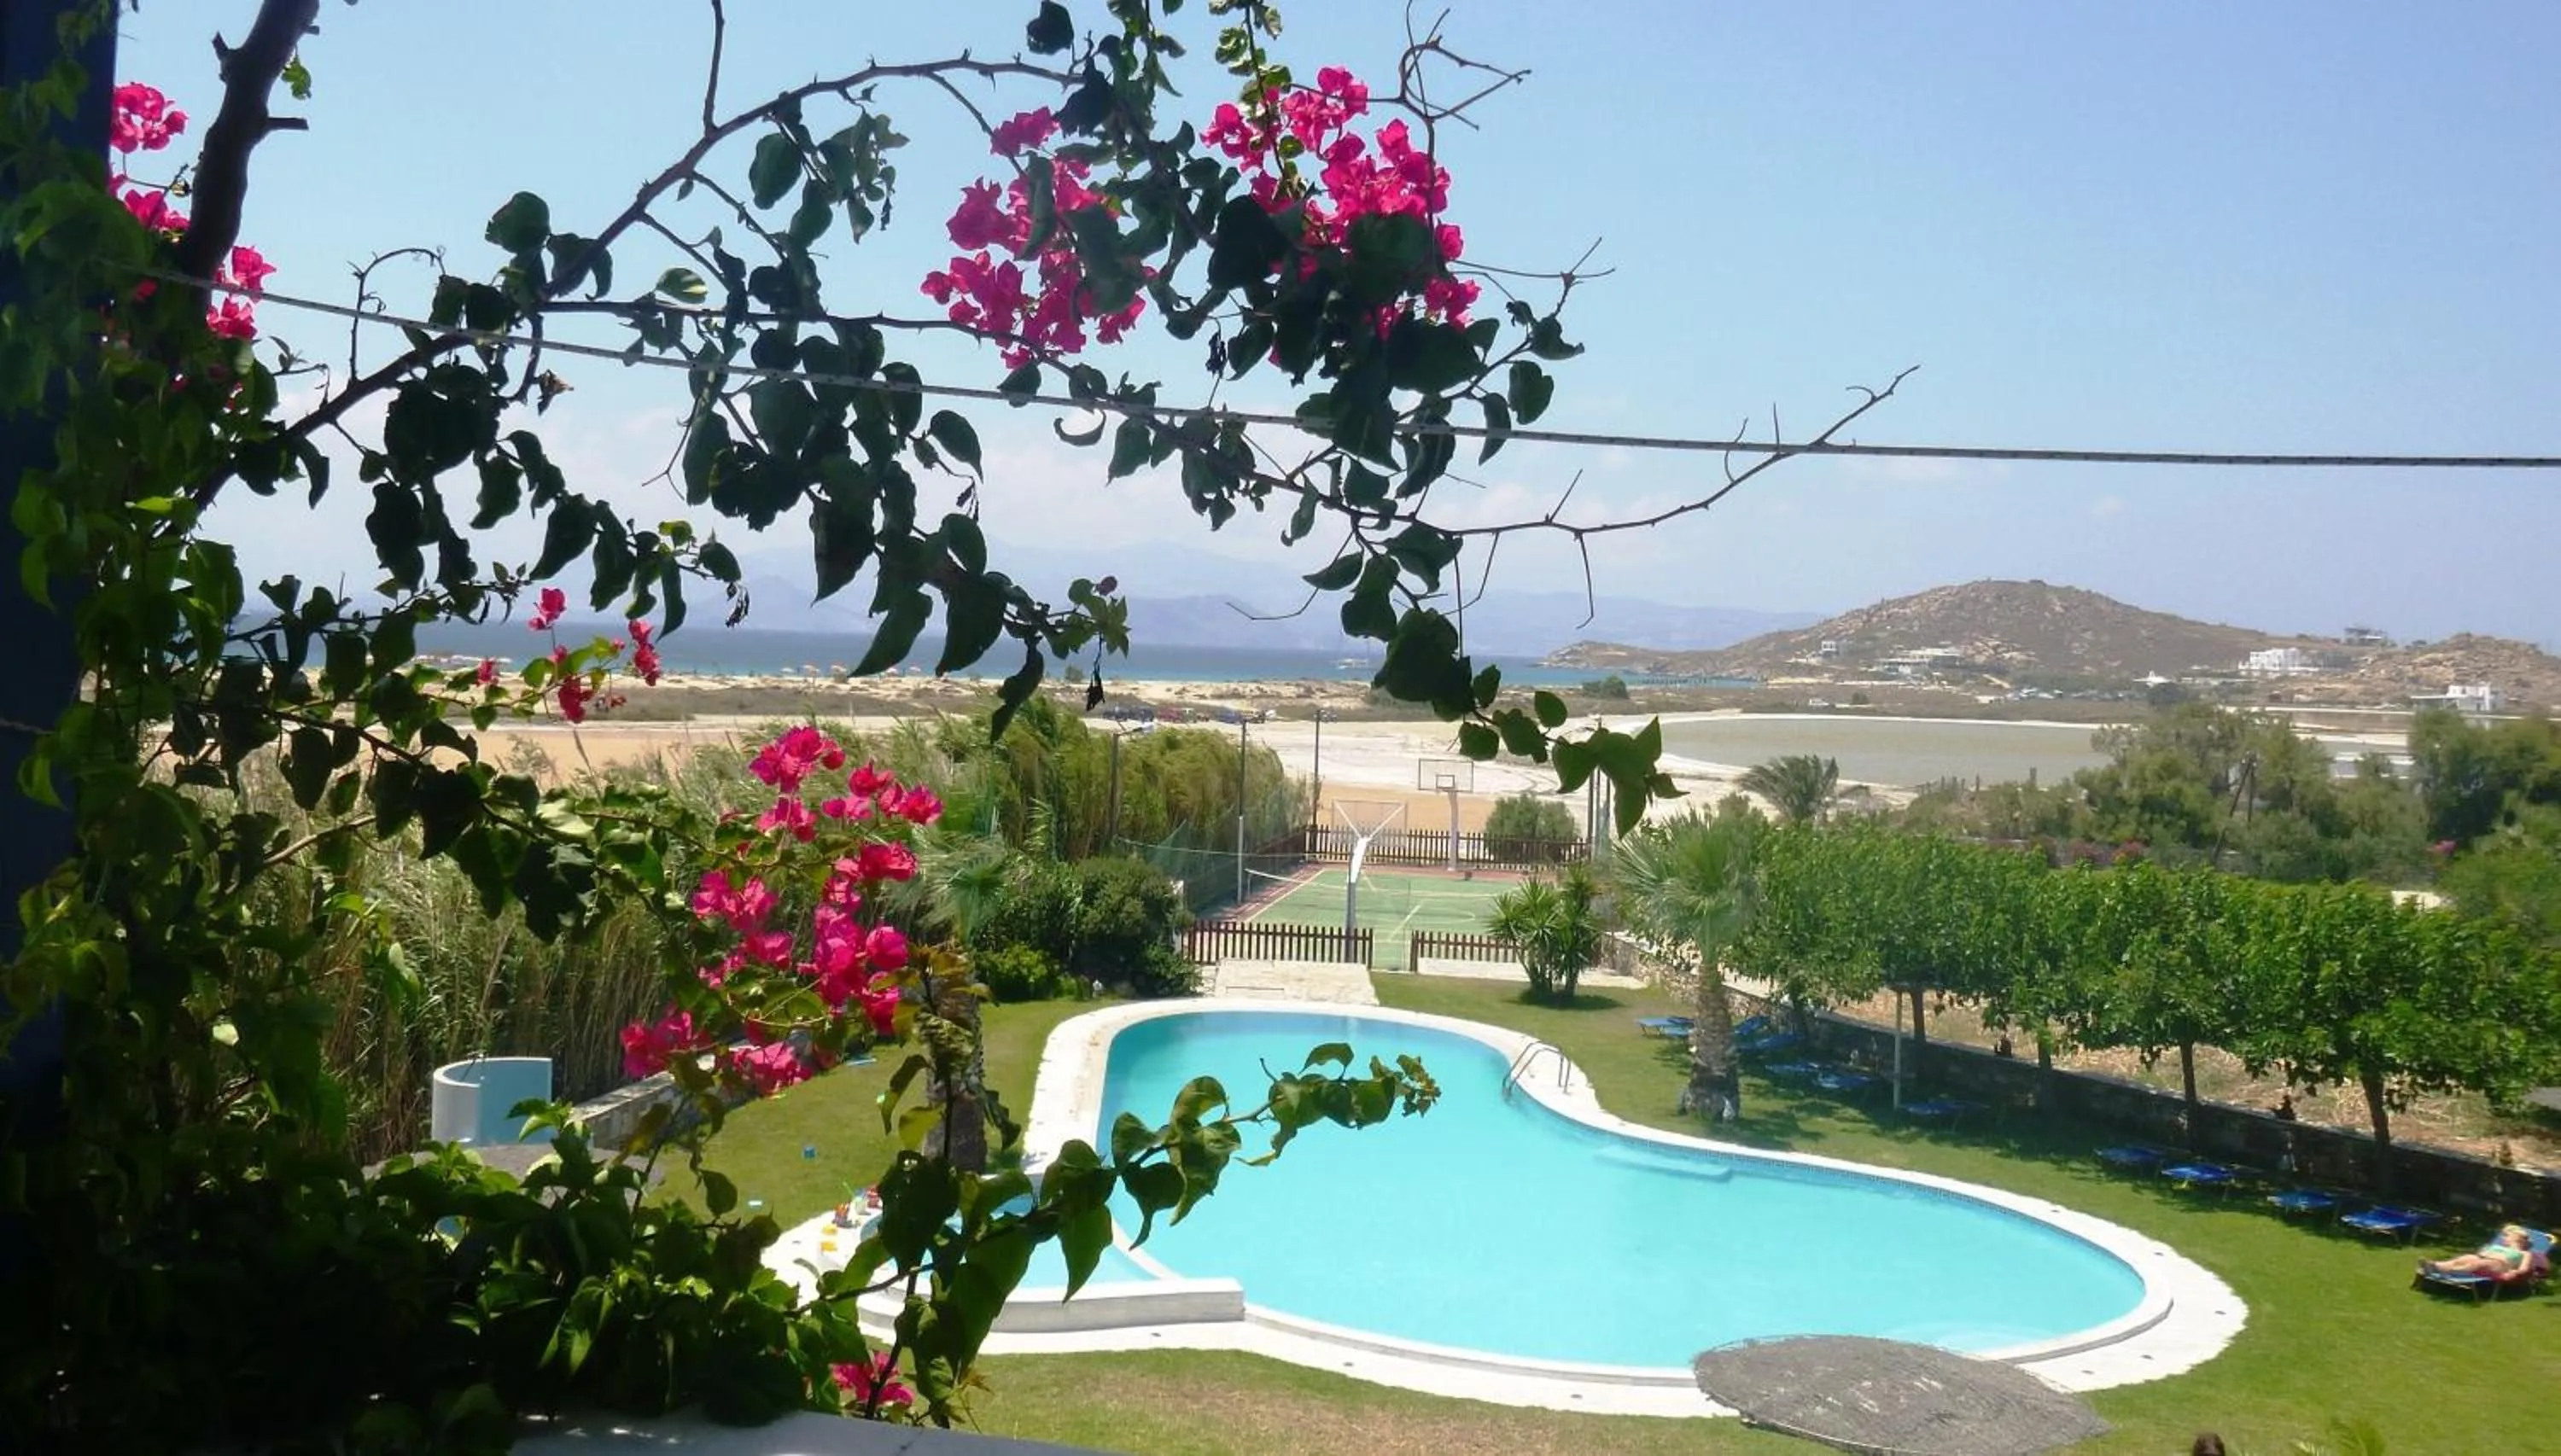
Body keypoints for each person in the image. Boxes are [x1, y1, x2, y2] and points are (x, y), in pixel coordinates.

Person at [2420, 1224, 2538, 1278]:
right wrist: (2483, 1251)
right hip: (2484, 1259)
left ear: (2517, 1238)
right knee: (2467, 1257)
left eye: (2506, 1236)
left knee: (2480, 1263)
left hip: (2499, 1265)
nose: (2503, 1238)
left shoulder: (2525, 1253)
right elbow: (2480, 1254)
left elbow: (2524, 1269)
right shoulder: (2498, 1246)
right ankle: (2435, 1266)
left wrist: (2514, 1272)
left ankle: (2449, 1272)